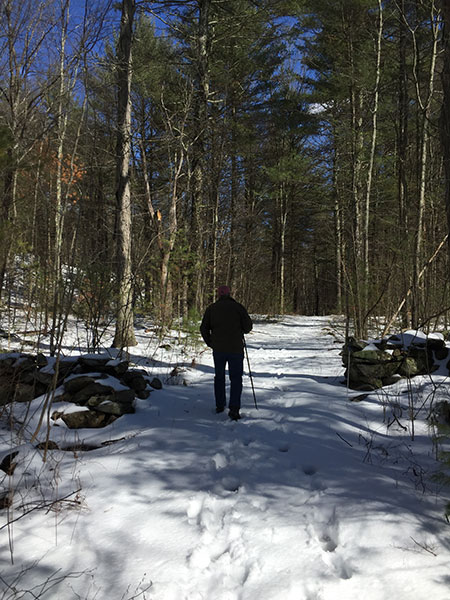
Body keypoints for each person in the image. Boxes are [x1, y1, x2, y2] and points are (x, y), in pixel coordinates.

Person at [200, 285, 253, 420]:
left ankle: (220, 405)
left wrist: (210, 343)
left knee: (219, 377)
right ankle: (234, 408)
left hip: (218, 349)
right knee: (235, 378)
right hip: (236, 349)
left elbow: (203, 328)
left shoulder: (212, 309)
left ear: (218, 294)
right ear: (229, 294)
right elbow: (248, 327)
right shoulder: (238, 308)